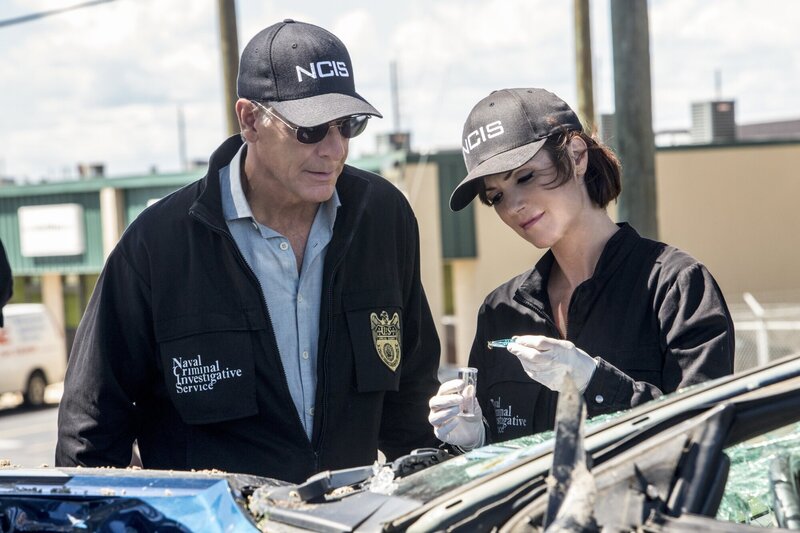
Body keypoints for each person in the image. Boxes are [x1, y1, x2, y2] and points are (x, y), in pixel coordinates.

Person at [56, 19, 440, 483]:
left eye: (348, 124)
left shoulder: (382, 217)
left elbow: (412, 397)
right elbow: (91, 430)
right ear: (250, 120)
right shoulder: (158, 246)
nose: (335, 149)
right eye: (311, 128)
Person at [429, 88, 734, 450]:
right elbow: (499, 468)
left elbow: (706, 434)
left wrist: (594, 382)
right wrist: (474, 443)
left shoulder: (676, 287)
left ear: (576, 155)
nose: (513, 206)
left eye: (524, 176)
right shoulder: (501, 312)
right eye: (495, 196)